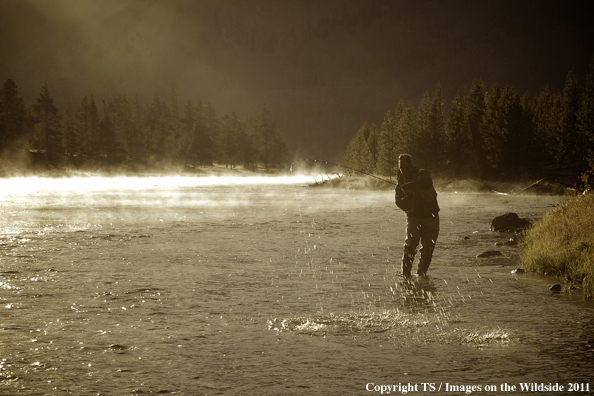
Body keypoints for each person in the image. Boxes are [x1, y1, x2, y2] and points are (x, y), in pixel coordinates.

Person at [395, 154, 440, 277]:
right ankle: (405, 276)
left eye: (407, 168)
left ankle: (421, 276)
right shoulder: (400, 184)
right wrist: (409, 196)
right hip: (413, 218)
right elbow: (399, 203)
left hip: (431, 218)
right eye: (402, 169)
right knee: (410, 246)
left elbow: (427, 181)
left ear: (411, 166)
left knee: (428, 249)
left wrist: (412, 186)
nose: (405, 171)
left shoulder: (423, 173)